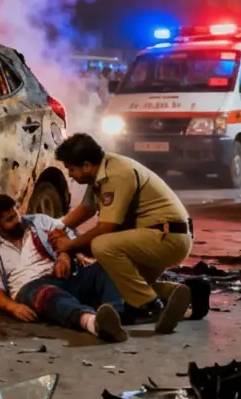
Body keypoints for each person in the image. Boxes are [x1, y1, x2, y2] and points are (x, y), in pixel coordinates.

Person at [50, 133, 193, 333]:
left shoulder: (116, 175)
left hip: (165, 237)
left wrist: (70, 245)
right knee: (119, 286)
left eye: (71, 169)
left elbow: (106, 228)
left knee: (101, 245)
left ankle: (150, 307)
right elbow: (86, 209)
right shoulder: (100, 172)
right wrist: (55, 226)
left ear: (87, 165)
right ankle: (182, 296)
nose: (70, 175)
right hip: (163, 236)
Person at [0, 195, 126, 343]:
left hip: (62, 278)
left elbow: (66, 234)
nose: (17, 221)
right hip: (30, 289)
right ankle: (91, 322)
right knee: (48, 294)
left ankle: (115, 317)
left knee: (102, 267)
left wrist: (64, 256)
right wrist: (13, 307)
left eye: (15, 214)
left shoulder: (38, 222)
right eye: (9, 220)